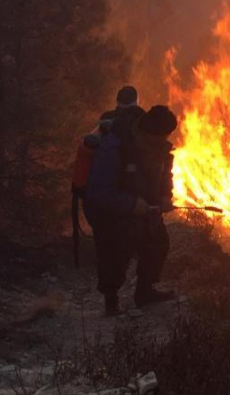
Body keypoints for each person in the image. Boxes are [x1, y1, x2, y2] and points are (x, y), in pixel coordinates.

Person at [82, 86, 178, 315]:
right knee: (114, 250)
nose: (158, 146)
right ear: (144, 133)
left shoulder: (157, 144)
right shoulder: (114, 146)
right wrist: (132, 205)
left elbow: (165, 173)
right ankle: (111, 300)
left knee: (158, 241)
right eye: (155, 141)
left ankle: (144, 292)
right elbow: (99, 192)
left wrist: (165, 197)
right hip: (108, 211)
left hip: (141, 207)